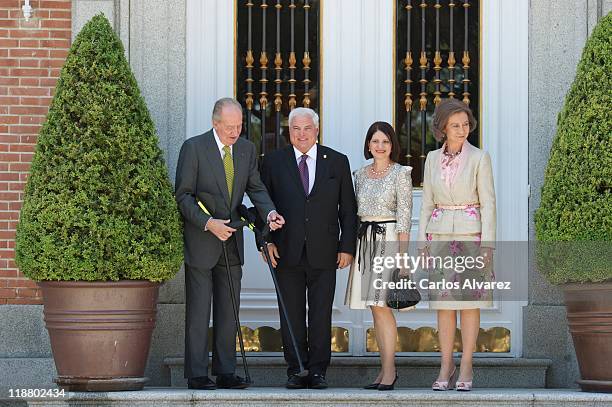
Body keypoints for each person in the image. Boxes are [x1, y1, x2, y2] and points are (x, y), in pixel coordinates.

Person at [175, 97, 285, 390]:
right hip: (202, 240)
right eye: (229, 127)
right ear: (215, 123)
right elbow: (183, 196)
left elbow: (255, 188)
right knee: (199, 311)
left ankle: (226, 371)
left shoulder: (247, 150)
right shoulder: (194, 148)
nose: (235, 132)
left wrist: (270, 213)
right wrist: (208, 223)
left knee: (229, 310)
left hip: (232, 242)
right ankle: (197, 374)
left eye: (238, 126)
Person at [261, 107, 358, 389]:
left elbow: (348, 210)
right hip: (285, 250)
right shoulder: (274, 162)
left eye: (307, 128)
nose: (301, 134)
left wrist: (347, 247)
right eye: (295, 129)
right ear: (288, 131)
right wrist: (265, 240)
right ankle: (296, 369)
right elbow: (261, 204)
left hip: (325, 250)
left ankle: (317, 371)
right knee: (289, 313)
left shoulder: (336, 162)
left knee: (320, 313)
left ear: (316, 130)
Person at [417, 98, 496, 392]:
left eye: (465, 125)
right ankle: (446, 364)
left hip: (472, 238)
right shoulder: (431, 159)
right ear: (442, 129)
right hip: (439, 237)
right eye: (455, 126)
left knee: (470, 303)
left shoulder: (480, 158)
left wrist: (489, 245)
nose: (462, 130)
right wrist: (422, 243)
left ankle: (466, 365)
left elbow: (489, 203)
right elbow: (426, 204)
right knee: (444, 304)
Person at [344, 121, 413, 391]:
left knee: (383, 307)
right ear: (368, 145)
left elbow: (405, 218)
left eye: (385, 141)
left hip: (389, 241)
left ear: (392, 144)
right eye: (375, 141)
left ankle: (389, 371)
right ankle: (384, 370)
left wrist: (403, 258)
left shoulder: (400, 173)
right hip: (365, 242)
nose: (380, 146)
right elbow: (354, 213)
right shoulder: (359, 174)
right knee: (374, 308)